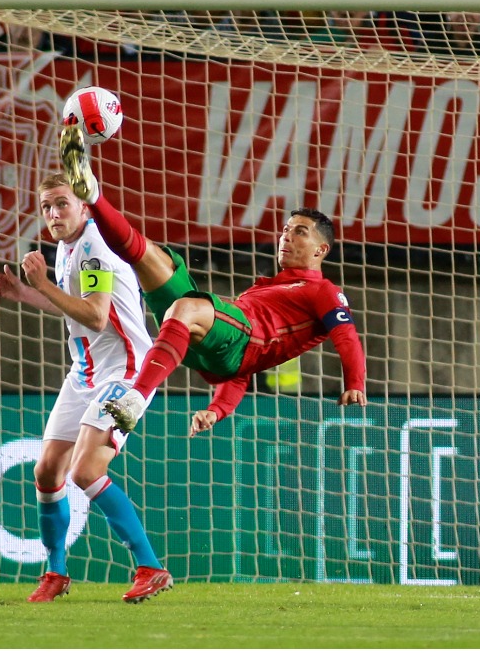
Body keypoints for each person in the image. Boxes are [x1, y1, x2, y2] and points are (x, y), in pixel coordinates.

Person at [58, 125, 366, 438]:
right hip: (205, 343)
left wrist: (355, 382)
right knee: (150, 257)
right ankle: (93, 195)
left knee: (189, 306)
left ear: (321, 250)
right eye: (286, 230)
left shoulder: (323, 291)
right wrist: (217, 409)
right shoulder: (265, 289)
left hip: (233, 338)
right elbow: (237, 370)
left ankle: (134, 399)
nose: (286, 237)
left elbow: (346, 335)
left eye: (300, 232)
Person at [0, 173, 171, 604]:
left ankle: (151, 566)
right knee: (47, 470)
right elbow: (74, 307)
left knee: (85, 471)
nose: (53, 214)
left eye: (62, 204)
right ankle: (55, 573)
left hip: (127, 373)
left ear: (85, 206)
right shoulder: (70, 245)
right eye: (46, 206)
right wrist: (25, 295)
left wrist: (41, 283)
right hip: (86, 373)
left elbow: (96, 317)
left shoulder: (94, 246)